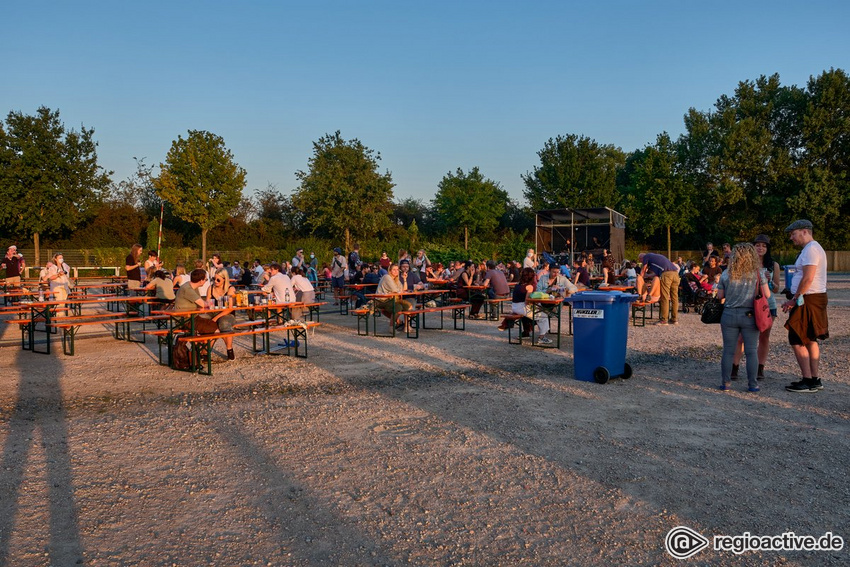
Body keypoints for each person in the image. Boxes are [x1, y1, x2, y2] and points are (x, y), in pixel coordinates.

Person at [716, 243, 771, 392]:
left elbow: (720, 296)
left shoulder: (726, 273)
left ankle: (725, 383)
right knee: (751, 351)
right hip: (750, 315)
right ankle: (752, 384)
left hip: (729, 314)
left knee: (728, 350)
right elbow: (767, 294)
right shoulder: (757, 273)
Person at [782, 220, 829, 393]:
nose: (791, 238)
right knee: (809, 338)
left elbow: (808, 278)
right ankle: (814, 379)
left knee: (797, 338)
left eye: (793, 234)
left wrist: (794, 299)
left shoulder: (811, 250)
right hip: (812, 298)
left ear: (804, 232)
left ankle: (808, 380)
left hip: (808, 299)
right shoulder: (811, 249)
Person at [731, 235, 781, 381]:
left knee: (764, 337)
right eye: (758, 245)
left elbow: (777, 289)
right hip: (748, 304)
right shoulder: (746, 263)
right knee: (741, 338)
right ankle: (735, 367)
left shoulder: (774, 265)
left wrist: (770, 281)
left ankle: (760, 368)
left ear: (768, 248)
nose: (761, 248)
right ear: (753, 247)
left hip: (767, 305)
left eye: (764, 246)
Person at [498, 267, 552, 344]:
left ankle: (527, 331)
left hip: (515, 307)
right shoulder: (529, 286)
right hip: (522, 307)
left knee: (535, 315)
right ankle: (542, 337)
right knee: (543, 316)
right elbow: (527, 301)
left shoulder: (518, 284)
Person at [638, 252, 679, 325]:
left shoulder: (646, 257)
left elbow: (643, 270)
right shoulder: (655, 258)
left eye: (640, 261)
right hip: (675, 274)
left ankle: (664, 320)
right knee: (674, 297)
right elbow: (654, 274)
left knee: (664, 297)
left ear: (641, 258)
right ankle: (674, 319)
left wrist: (641, 277)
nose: (641, 262)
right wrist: (647, 275)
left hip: (666, 274)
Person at [206, 268, 237, 360]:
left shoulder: (230, 289)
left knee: (223, 324)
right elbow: (207, 303)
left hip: (227, 313)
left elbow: (230, 308)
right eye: (214, 279)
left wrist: (216, 317)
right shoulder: (211, 288)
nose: (215, 281)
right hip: (213, 312)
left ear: (224, 279)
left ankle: (229, 349)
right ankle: (206, 351)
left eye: (218, 279)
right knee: (207, 324)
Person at [376, 263, 413, 331]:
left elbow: (403, 290)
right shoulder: (387, 277)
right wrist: (398, 291)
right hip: (382, 300)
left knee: (409, 306)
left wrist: (405, 279)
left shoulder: (396, 279)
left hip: (392, 299)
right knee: (398, 307)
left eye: (397, 270)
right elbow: (395, 290)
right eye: (394, 270)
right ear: (390, 271)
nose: (396, 271)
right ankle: (391, 328)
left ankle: (406, 326)